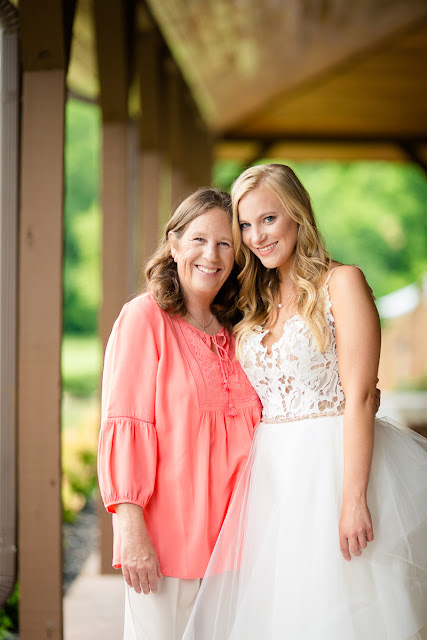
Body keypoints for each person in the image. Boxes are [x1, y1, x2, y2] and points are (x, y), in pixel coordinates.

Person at [183, 164, 427, 639]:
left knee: (345, 605)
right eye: (246, 225)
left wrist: (353, 497)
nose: (257, 237)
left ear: (298, 214)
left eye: (269, 219)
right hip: (272, 479)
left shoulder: (343, 284)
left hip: (335, 468)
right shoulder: (253, 299)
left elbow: (359, 395)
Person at [97, 187, 263, 640]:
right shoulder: (143, 319)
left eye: (225, 243)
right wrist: (130, 532)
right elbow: (125, 426)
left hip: (236, 550)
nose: (212, 254)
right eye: (198, 240)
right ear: (173, 244)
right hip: (165, 549)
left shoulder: (240, 329)